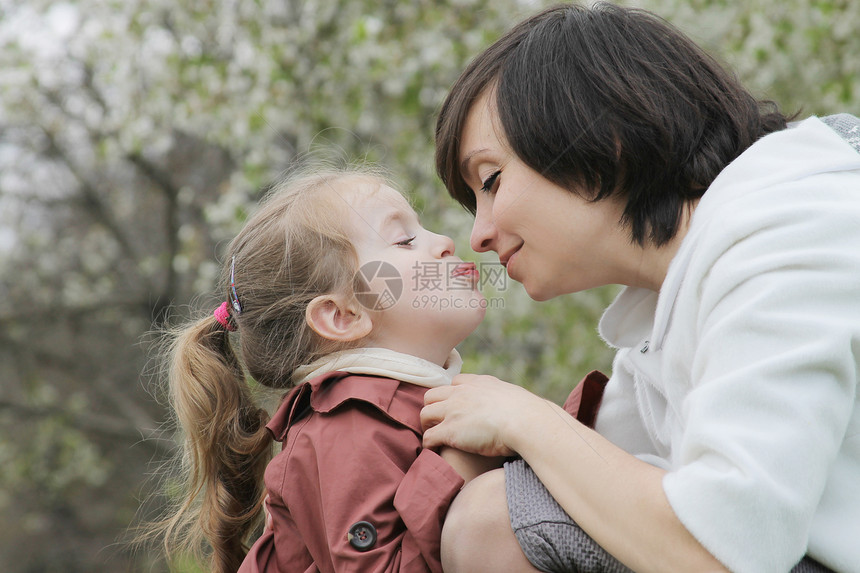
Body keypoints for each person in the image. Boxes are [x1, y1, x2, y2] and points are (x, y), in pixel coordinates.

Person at [420, 3, 860, 573]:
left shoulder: (792, 233)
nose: (478, 236)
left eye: (492, 180)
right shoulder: (662, 304)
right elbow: (614, 479)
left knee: (495, 520)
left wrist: (528, 419)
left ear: (603, 135)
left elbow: (723, 550)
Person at [147, 167, 501, 573]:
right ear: (342, 316)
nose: (444, 241)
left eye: (421, 228)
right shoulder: (345, 424)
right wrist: (458, 459)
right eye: (404, 240)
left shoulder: (401, 402)